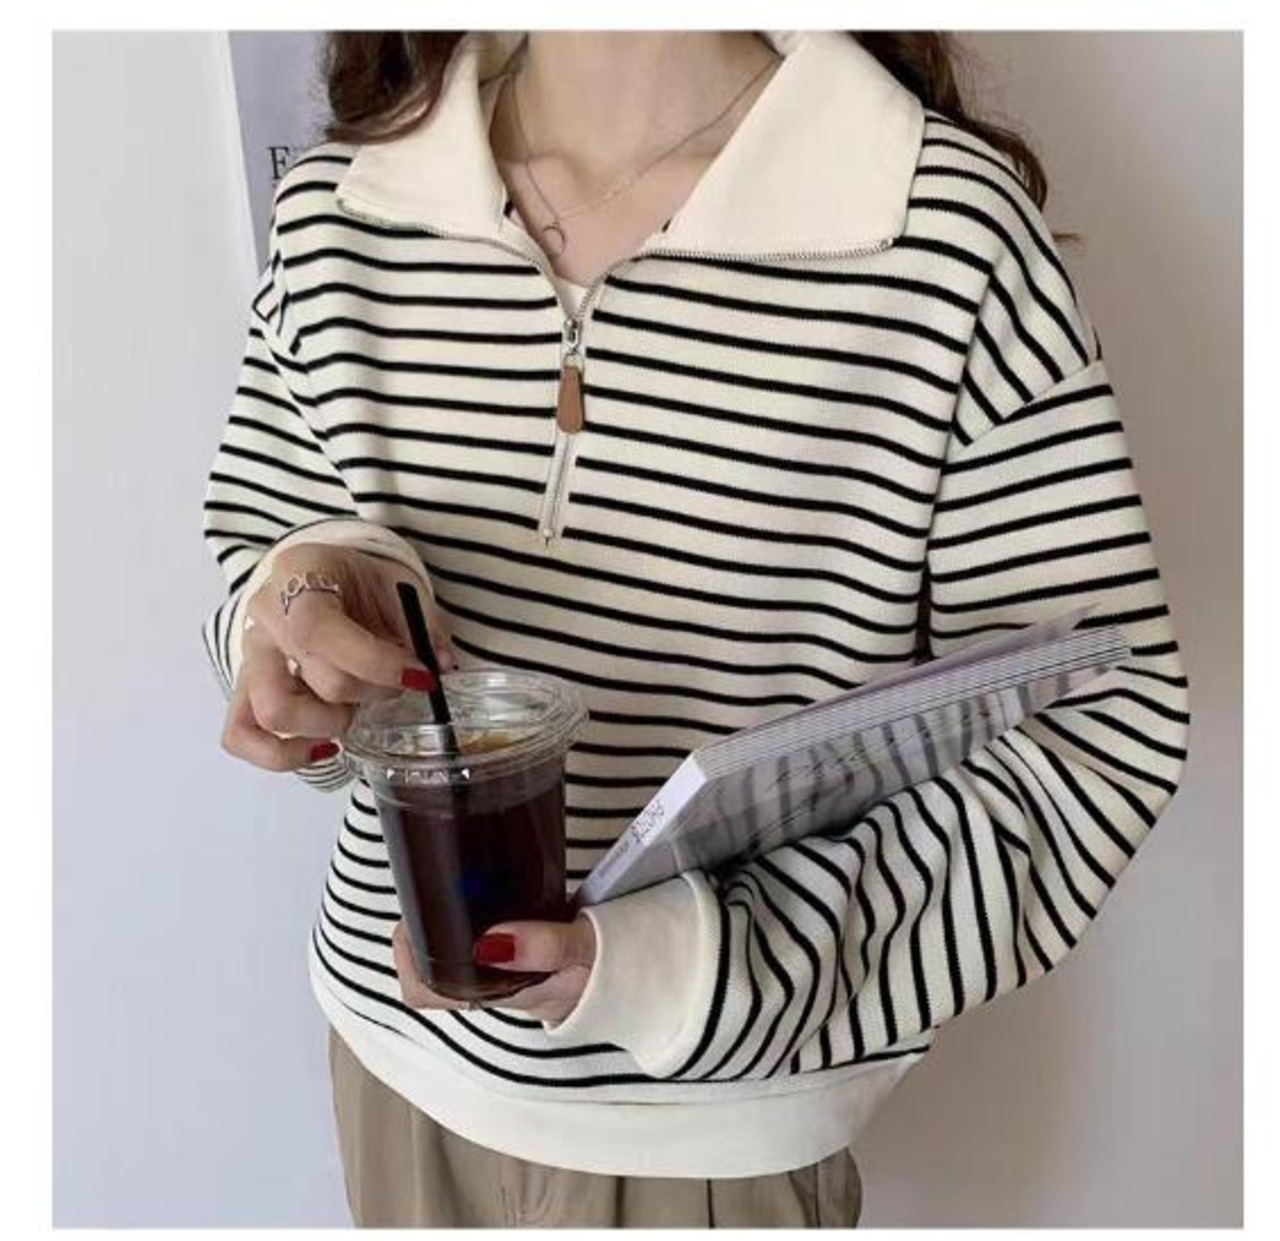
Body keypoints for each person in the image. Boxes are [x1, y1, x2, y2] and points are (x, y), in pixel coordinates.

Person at [202, 29, 1191, 1228]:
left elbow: (1097, 730)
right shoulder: (342, 207)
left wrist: (689, 966)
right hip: (394, 1060)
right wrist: (295, 621)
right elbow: (260, 549)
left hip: (706, 1129)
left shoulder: (944, 239)